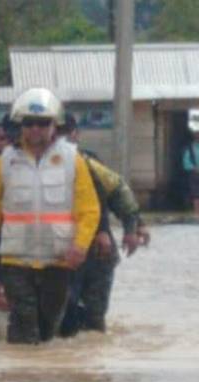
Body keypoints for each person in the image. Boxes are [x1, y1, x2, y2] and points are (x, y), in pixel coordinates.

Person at [0, 87, 100, 345]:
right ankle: (19, 379)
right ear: (20, 125)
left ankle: (39, 378)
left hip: (57, 260)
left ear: (54, 125)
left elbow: (89, 209)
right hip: (15, 260)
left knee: (48, 326)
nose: (35, 128)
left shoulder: (73, 160)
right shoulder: (5, 162)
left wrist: (80, 246)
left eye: (42, 123)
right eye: (29, 123)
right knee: (23, 322)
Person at [56, 113, 150, 336]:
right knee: (63, 312)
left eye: (64, 133)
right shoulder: (33, 166)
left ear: (75, 135)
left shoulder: (88, 163)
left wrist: (134, 226)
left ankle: (92, 361)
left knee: (93, 317)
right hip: (58, 249)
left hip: (95, 251)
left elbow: (115, 191)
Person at [182, 115, 199, 217]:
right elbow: (186, 162)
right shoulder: (190, 147)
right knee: (196, 195)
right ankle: (197, 213)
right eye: (197, 135)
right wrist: (194, 168)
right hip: (194, 174)